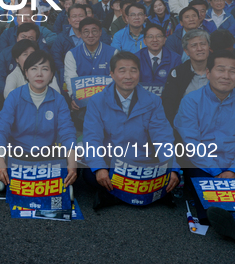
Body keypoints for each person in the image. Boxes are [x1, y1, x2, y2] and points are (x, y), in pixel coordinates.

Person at [83, 52, 180, 209]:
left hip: (142, 161)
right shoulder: (97, 100)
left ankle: (114, 195)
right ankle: (146, 194)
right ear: (112, 74)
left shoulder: (153, 101)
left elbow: (162, 137)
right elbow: (92, 137)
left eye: (133, 70)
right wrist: (100, 167)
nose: (128, 76)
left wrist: (172, 167)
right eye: (122, 70)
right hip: (111, 161)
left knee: (170, 176)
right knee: (90, 174)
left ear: (139, 74)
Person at [0, 50, 77, 191]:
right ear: (26, 73)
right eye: (34, 69)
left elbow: (67, 132)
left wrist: (73, 164)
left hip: (46, 154)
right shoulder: (14, 96)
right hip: (17, 154)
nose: (39, 74)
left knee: (74, 167)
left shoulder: (59, 100)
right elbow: (1, 129)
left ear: (51, 75)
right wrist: (0, 161)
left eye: (45, 69)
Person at [175, 50, 235, 224]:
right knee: (212, 201)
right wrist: (217, 172)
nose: (226, 76)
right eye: (221, 70)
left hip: (232, 162)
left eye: (232, 71)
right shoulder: (191, 101)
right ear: (208, 73)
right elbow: (191, 144)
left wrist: (231, 170)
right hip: (202, 162)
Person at [64, 17, 118, 117]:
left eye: (94, 31)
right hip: (82, 102)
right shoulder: (71, 54)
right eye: (86, 32)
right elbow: (70, 78)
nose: (90, 35)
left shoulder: (113, 52)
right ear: (80, 34)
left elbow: (116, 79)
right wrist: (73, 98)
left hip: (108, 101)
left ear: (100, 32)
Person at [162, 29, 210, 126]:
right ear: (186, 51)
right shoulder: (178, 73)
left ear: (209, 47)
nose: (199, 48)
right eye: (194, 45)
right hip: (185, 125)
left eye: (203, 44)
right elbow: (169, 106)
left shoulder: (219, 70)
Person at [0, 23, 44, 94]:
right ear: (17, 38)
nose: (26, 40)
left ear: (36, 40)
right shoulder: (5, 54)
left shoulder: (42, 56)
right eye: (23, 37)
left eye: (31, 38)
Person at [135, 24, 181, 88]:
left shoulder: (175, 59)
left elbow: (177, 85)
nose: (155, 40)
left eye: (158, 36)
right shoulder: (136, 58)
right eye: (150, 37)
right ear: (144, 41)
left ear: (164, 40)